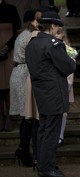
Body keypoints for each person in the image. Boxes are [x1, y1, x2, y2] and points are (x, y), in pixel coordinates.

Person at [25, 11, 76, 177]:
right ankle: (47, 168)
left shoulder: (32, 42)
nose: (57, 30)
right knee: (51, 132)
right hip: (54, 92)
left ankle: (42, 164)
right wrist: (72, 60)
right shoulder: (53, 43)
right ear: (52, 26)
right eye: (57, 26)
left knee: (43, 130)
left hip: (41, 91)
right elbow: (67, 67)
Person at [9, 9, 40, 167]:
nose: (39, 23)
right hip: (23, 74)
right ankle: (23, 151)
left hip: (20, 72)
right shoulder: (28, 36)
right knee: (28, 116)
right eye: (37, 20)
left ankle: (22, 149)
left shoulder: (25, 34)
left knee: (27, 116)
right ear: (31, 21)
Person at [0, 0, 21, 132]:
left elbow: (16, 30)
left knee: (7, 86)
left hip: (9, 50)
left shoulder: (11, 9)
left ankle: (8, 117)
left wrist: (7, 46)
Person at [55, 27, 77, 147]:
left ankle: (60, 135)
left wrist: (68, 85)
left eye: (60, 33)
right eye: (57, 33)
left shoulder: (68, 49)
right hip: (55, 83)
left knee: (64, 111)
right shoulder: (52, 46)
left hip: (66, 81)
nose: (58, 36)